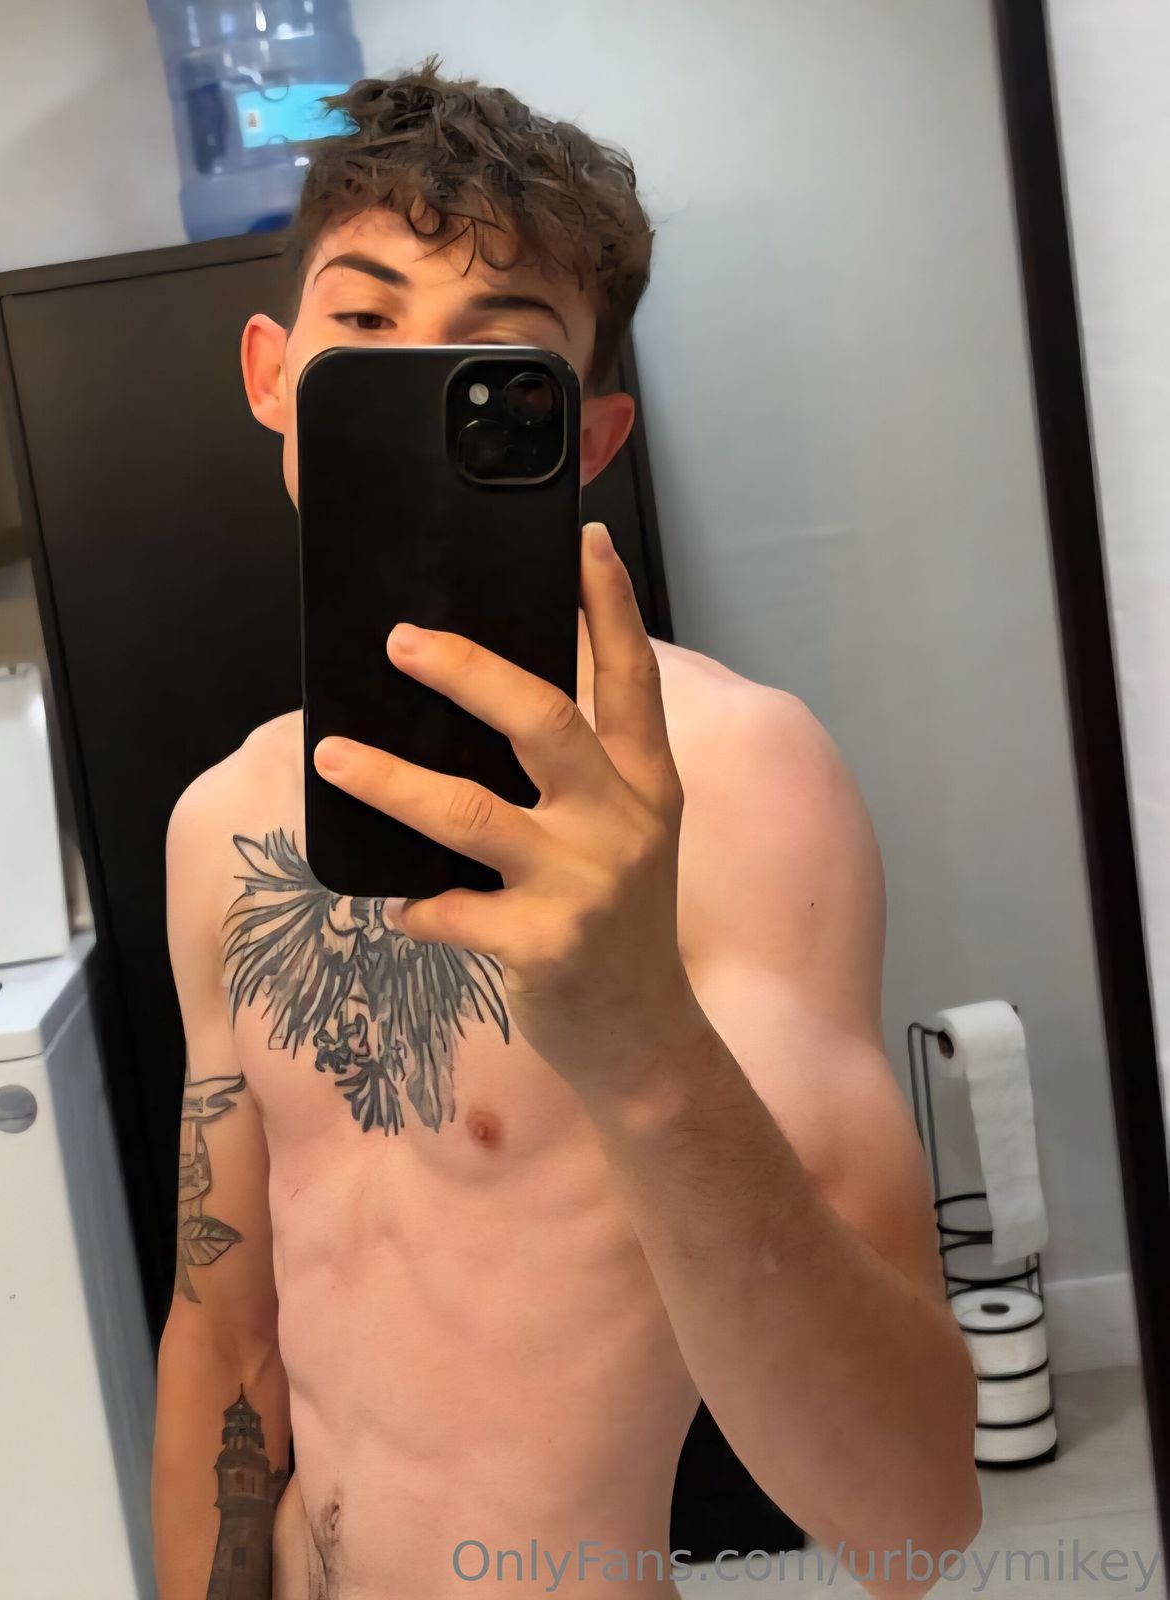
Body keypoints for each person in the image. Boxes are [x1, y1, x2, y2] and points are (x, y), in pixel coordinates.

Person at [152, 61, 980, 1600]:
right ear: (274, 376)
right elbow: (225, 1332)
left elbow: (911, 1518)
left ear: (586, 439)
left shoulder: (737, 780)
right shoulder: (220, 824)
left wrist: (637, 1028)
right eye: (365, 323)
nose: (416, 378)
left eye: (496, 356)